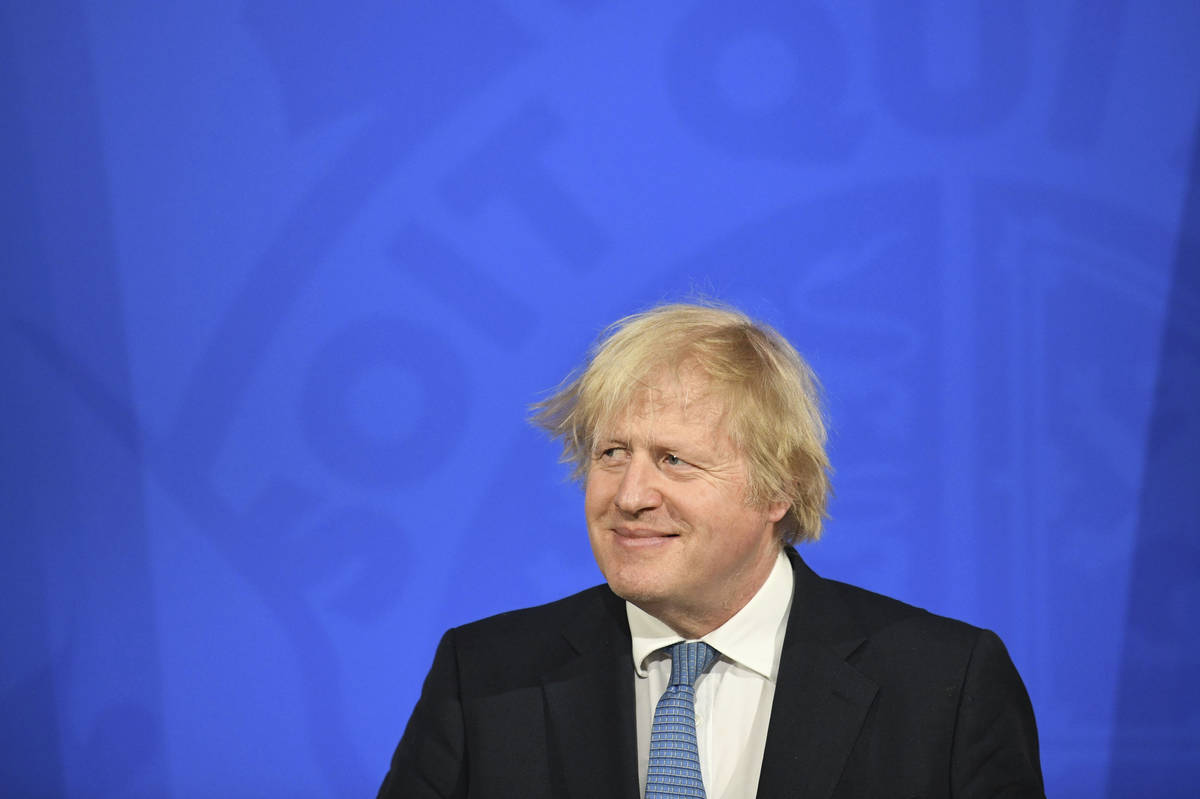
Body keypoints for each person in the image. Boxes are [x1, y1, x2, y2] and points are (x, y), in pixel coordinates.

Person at [377, 302, 1044, 798]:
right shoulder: (486, 676)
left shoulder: (944, 688)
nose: (630, 494)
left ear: (778, 485)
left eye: (673, 459)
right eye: (612, 453)